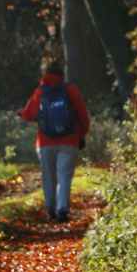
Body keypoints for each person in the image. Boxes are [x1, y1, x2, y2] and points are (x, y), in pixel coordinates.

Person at [17, 58, 90, 222]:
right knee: (64, 176)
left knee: (49, 177)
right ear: (61, 74)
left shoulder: (40, 92)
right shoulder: (72, 90)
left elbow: (29, 114)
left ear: (45, 75)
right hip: (69, 141)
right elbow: (83, 116)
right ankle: (62, 208)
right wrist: (81, 135)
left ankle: (51, 209)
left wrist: (21, 112)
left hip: (45, 142)